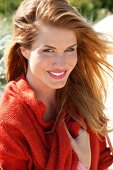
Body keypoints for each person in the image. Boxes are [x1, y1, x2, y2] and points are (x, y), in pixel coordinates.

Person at [0, 0, 113, 169]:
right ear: (24, 50)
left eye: (69, 49)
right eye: (48, 50)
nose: (61, 63)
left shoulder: (82, 99)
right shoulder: (11, 119)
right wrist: (83, 164)